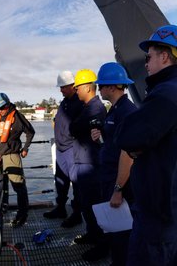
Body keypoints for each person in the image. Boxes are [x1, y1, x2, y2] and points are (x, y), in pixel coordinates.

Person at [116, 25, 177, 265]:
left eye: (148, 57)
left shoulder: (166, 94)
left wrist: (136, 143)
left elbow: (127, 137)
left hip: (161, 219)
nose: (145, 63)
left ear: (164, 56)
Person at [80, 62, 137, 263]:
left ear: (112, 86)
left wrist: (118, 189)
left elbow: (128, 154)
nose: (100, 89)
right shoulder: (114, 110)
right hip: (109, 177)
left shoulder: (126, 112)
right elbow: (115, 142)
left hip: (118, 180)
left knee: (122, 231)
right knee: (114, 228)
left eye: (102, 85)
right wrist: (101, 135)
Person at [68, 69, 107, 246]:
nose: (75, 91)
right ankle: (91, 234)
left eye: (78, 88)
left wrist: (75, 126)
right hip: (83, 161)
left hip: (91, 164)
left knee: (94, 205)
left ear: (88, 88)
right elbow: (76, 127)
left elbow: (74, 128)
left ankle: (100, 243)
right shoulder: (88, 108)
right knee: (86, 204)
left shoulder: (95, 108)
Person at [44, 71, 84, 226]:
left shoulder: (79, 103)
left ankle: (76, 214)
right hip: (60, 149)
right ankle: (60, 208)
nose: (61, 90)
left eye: (63, 87)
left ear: (72, 86)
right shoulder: (64, 102)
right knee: (60, 181)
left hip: (71, 149)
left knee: (76, 184)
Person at [0, 93, 35, 227]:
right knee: (1, 186)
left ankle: (22, 214)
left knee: (19, 186)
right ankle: (3, 208)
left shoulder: (17, 116)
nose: (1, 110)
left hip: (11, 156)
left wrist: (25, 148)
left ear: (8, 104)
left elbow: (30, 132)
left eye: (2, 107)